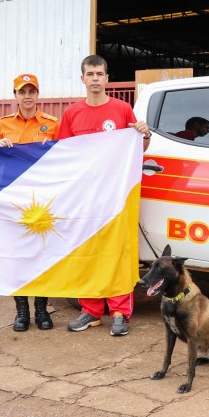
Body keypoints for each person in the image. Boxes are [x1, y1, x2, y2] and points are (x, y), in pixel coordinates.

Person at [58, 55, 151, 337]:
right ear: (82, 79)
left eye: (100, 73)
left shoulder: (122, 110)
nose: (95, 78)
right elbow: (63, 153)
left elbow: (139, 148)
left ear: (107, 78)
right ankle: (91, 311)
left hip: (117, 196)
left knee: (118, 253)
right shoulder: (72, 114)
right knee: (87, 253)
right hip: (85, 198)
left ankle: (120, 312)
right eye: (90, 74)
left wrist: (145, 135)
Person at [0, 73, 60, 332]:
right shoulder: (4, 125)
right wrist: (1, 147)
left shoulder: (52, 124)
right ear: (16, 96)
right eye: (22, 92)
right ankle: (21, 311)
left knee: (42, 253)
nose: (27, 96)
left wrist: (51, 148)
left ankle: (42, 309)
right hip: (15, 198)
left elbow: (66, 157)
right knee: (17, 254)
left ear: (38, 95)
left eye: (32, 91)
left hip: (43, 199)